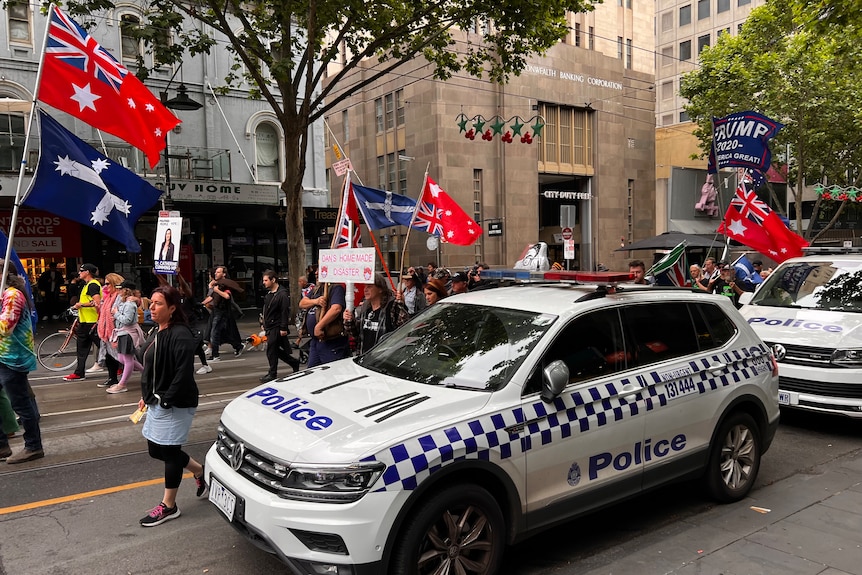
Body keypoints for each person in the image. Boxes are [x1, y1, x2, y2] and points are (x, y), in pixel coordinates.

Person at [137, 285, 207, 527]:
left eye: (158, 304)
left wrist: (166, 399)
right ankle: (200, 471)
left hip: (175, 403)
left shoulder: (180, 334)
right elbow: (152, 368)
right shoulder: (158, 331)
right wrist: (146, 396)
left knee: (169, 452)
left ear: (173, 308)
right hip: (156, 400)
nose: (151, 308)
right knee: (156, 450)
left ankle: (169, 506)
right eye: (151, 303)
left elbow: (182, 373)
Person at [0, 260, 44, 464]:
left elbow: (5, 327)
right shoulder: (5, 294)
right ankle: (2, 445)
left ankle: (33, 446)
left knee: (21, 405)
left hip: (13, 358)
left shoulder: (12, 295)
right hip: (3, 356)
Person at [344, 273, 409, 355]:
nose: (365, 289)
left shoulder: (393, 307)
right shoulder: (365, 308)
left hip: (384, 361)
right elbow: (356, 335)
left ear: (380, 289)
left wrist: (402, 305)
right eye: (365, 286)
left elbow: (405, 331)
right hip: (364, 358)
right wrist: (349, 320)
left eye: (369, 286)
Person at [63, 263, 102, 382]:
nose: (79, 273)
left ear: (88, 272)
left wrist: (81, 305)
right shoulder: (86, 285)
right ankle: (79, 373)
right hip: (85, 322)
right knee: (81, 349)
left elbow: (97, 302)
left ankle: (120, 367)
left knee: (105, 347)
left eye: (81, 271)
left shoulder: (93, 285)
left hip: (93, 322)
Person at [259, 270, 300, 383]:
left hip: (277, 326)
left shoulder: (282, 294)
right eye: (263, 280)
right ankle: (293, 362)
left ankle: (273, 373)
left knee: (271, 350)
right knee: (275, 350)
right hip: (270, 326)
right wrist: (263, 323)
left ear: (273, 280)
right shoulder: (269, 294)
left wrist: (283, 328)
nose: (264, 283)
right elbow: (266, 310)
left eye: (266, 280)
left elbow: (284, 312)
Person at [105, 279, 145, 394]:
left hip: (127, 334)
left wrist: (116, 313)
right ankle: (146, 373)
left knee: (127, 359)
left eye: (120, 289)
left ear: (126, 290)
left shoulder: (129, 304)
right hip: (122, 333)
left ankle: (122, 384)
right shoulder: (125, 302)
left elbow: (127, 320)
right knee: (123, 358)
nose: (119, 291)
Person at [299, 281, 350, 367]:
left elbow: (336, 309)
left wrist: (319, 326)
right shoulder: (316, 289)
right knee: (313, 372)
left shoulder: (336, 288)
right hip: (315, 342)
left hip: (331, 341)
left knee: (331, 372)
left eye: (319, 270)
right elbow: (302, 303)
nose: (316, 273)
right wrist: (316, 301)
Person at [207, 266, 244, 362]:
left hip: (222, 312)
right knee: (223, 332)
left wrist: (216, 290)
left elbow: (227, 296)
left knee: (214, 333)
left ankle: (215, 355)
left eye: (218, 272)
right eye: (215, 272)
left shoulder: (226, 285)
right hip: (217, 311)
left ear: (223, 274)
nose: (215, 273)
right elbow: (212, 297)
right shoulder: (217, 284)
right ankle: (238, 345)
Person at [95, 273, 125, 389]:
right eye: (105, 284)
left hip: (117, 331)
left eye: (108, 284)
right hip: (108, 332)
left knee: (125, 358)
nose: (105, 286)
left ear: (114, 283)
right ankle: (112, 379)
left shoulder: (120, 297)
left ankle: (122, 382)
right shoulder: (107, 297)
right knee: (109, 356)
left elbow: (120, 313)